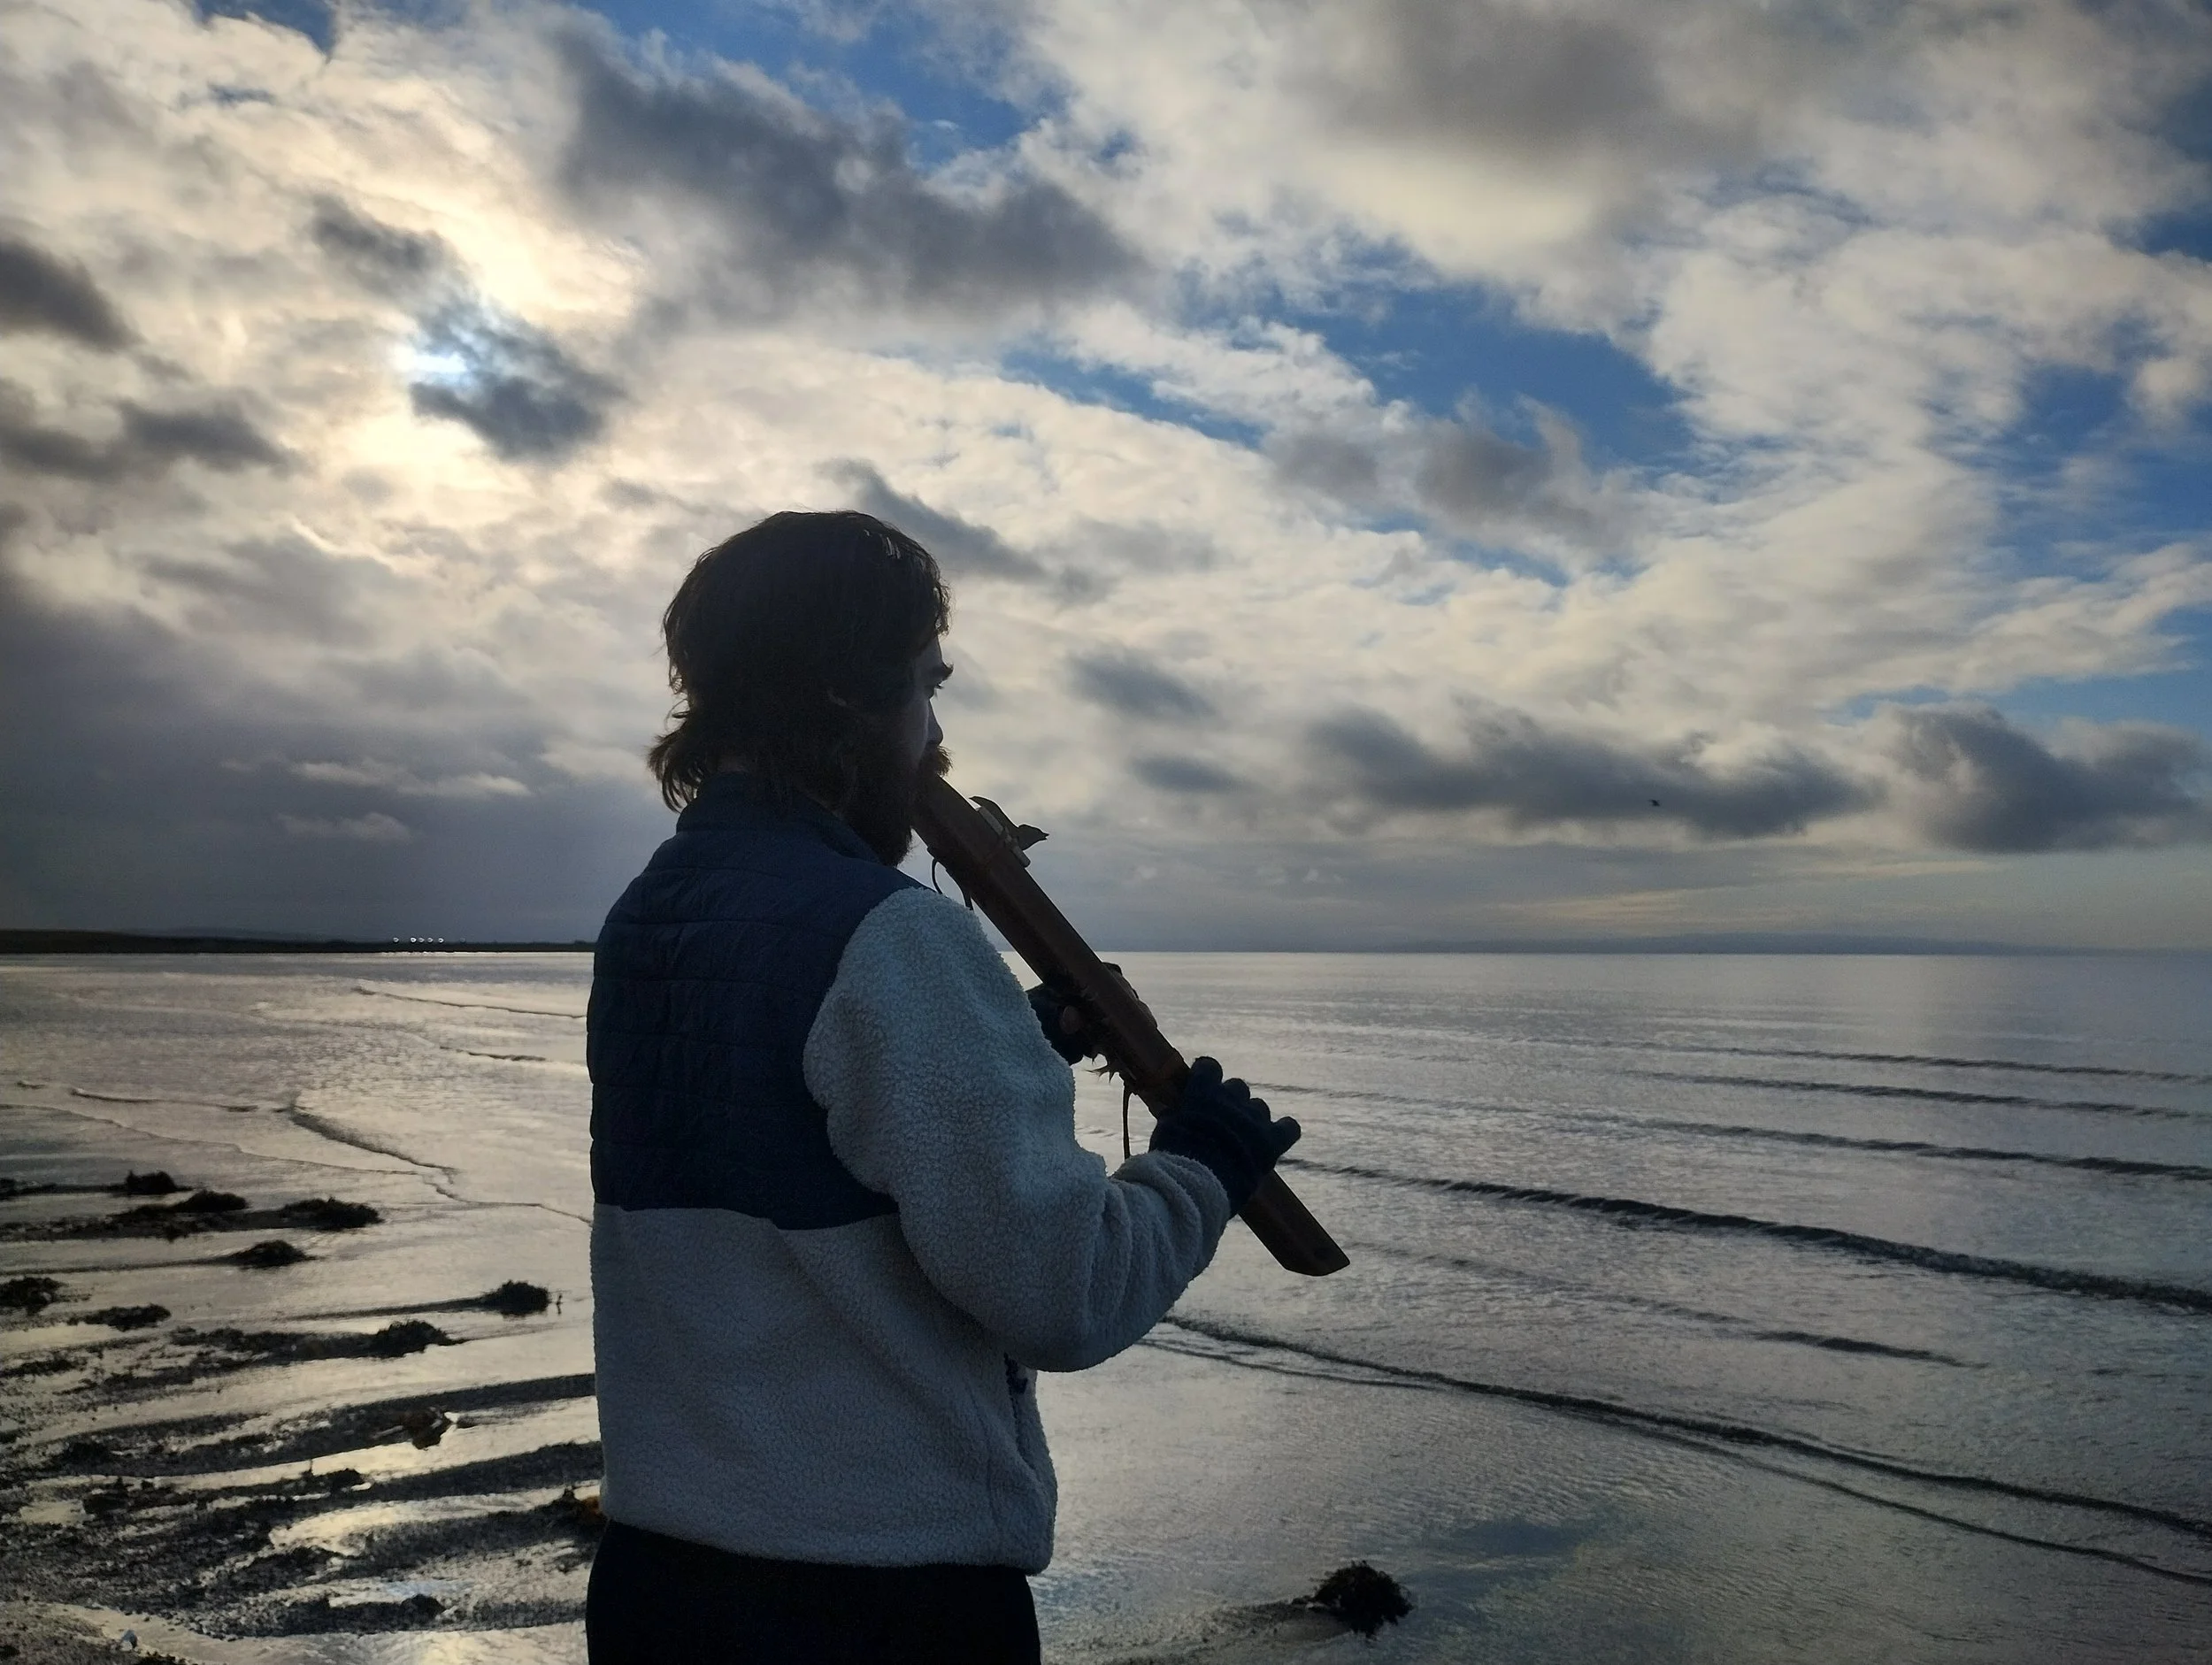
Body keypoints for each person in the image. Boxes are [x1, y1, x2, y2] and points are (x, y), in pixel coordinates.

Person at [583, 510, 1302, 1664]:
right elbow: (1061, 1289)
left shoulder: (653, 915)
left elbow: (782, 1126)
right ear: (844, 701)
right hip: (874, 1606)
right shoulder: (887, 939)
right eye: (923, 687)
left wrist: (1002, 1044)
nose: (934, 734)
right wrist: (1201, 1170)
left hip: (661, 1587)